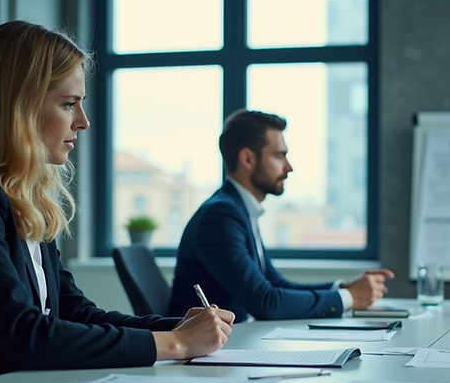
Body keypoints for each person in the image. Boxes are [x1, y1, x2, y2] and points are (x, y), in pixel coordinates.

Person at [0, 21, 234, 383]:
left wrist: (174, 328)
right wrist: (177, 345)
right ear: (19, 106)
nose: (84, 122)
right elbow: (22, 336)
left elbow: (75, 314)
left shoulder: (25, 197)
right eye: (69, 104)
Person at [168, 109, 395, 322]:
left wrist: (344, 289)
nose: (289, 167)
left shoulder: (238, 209)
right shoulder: (220, 216)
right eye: (279, 156)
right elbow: (266, 303)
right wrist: (351, 298)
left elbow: (275, 284)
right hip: (197, 356)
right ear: (247, 159)